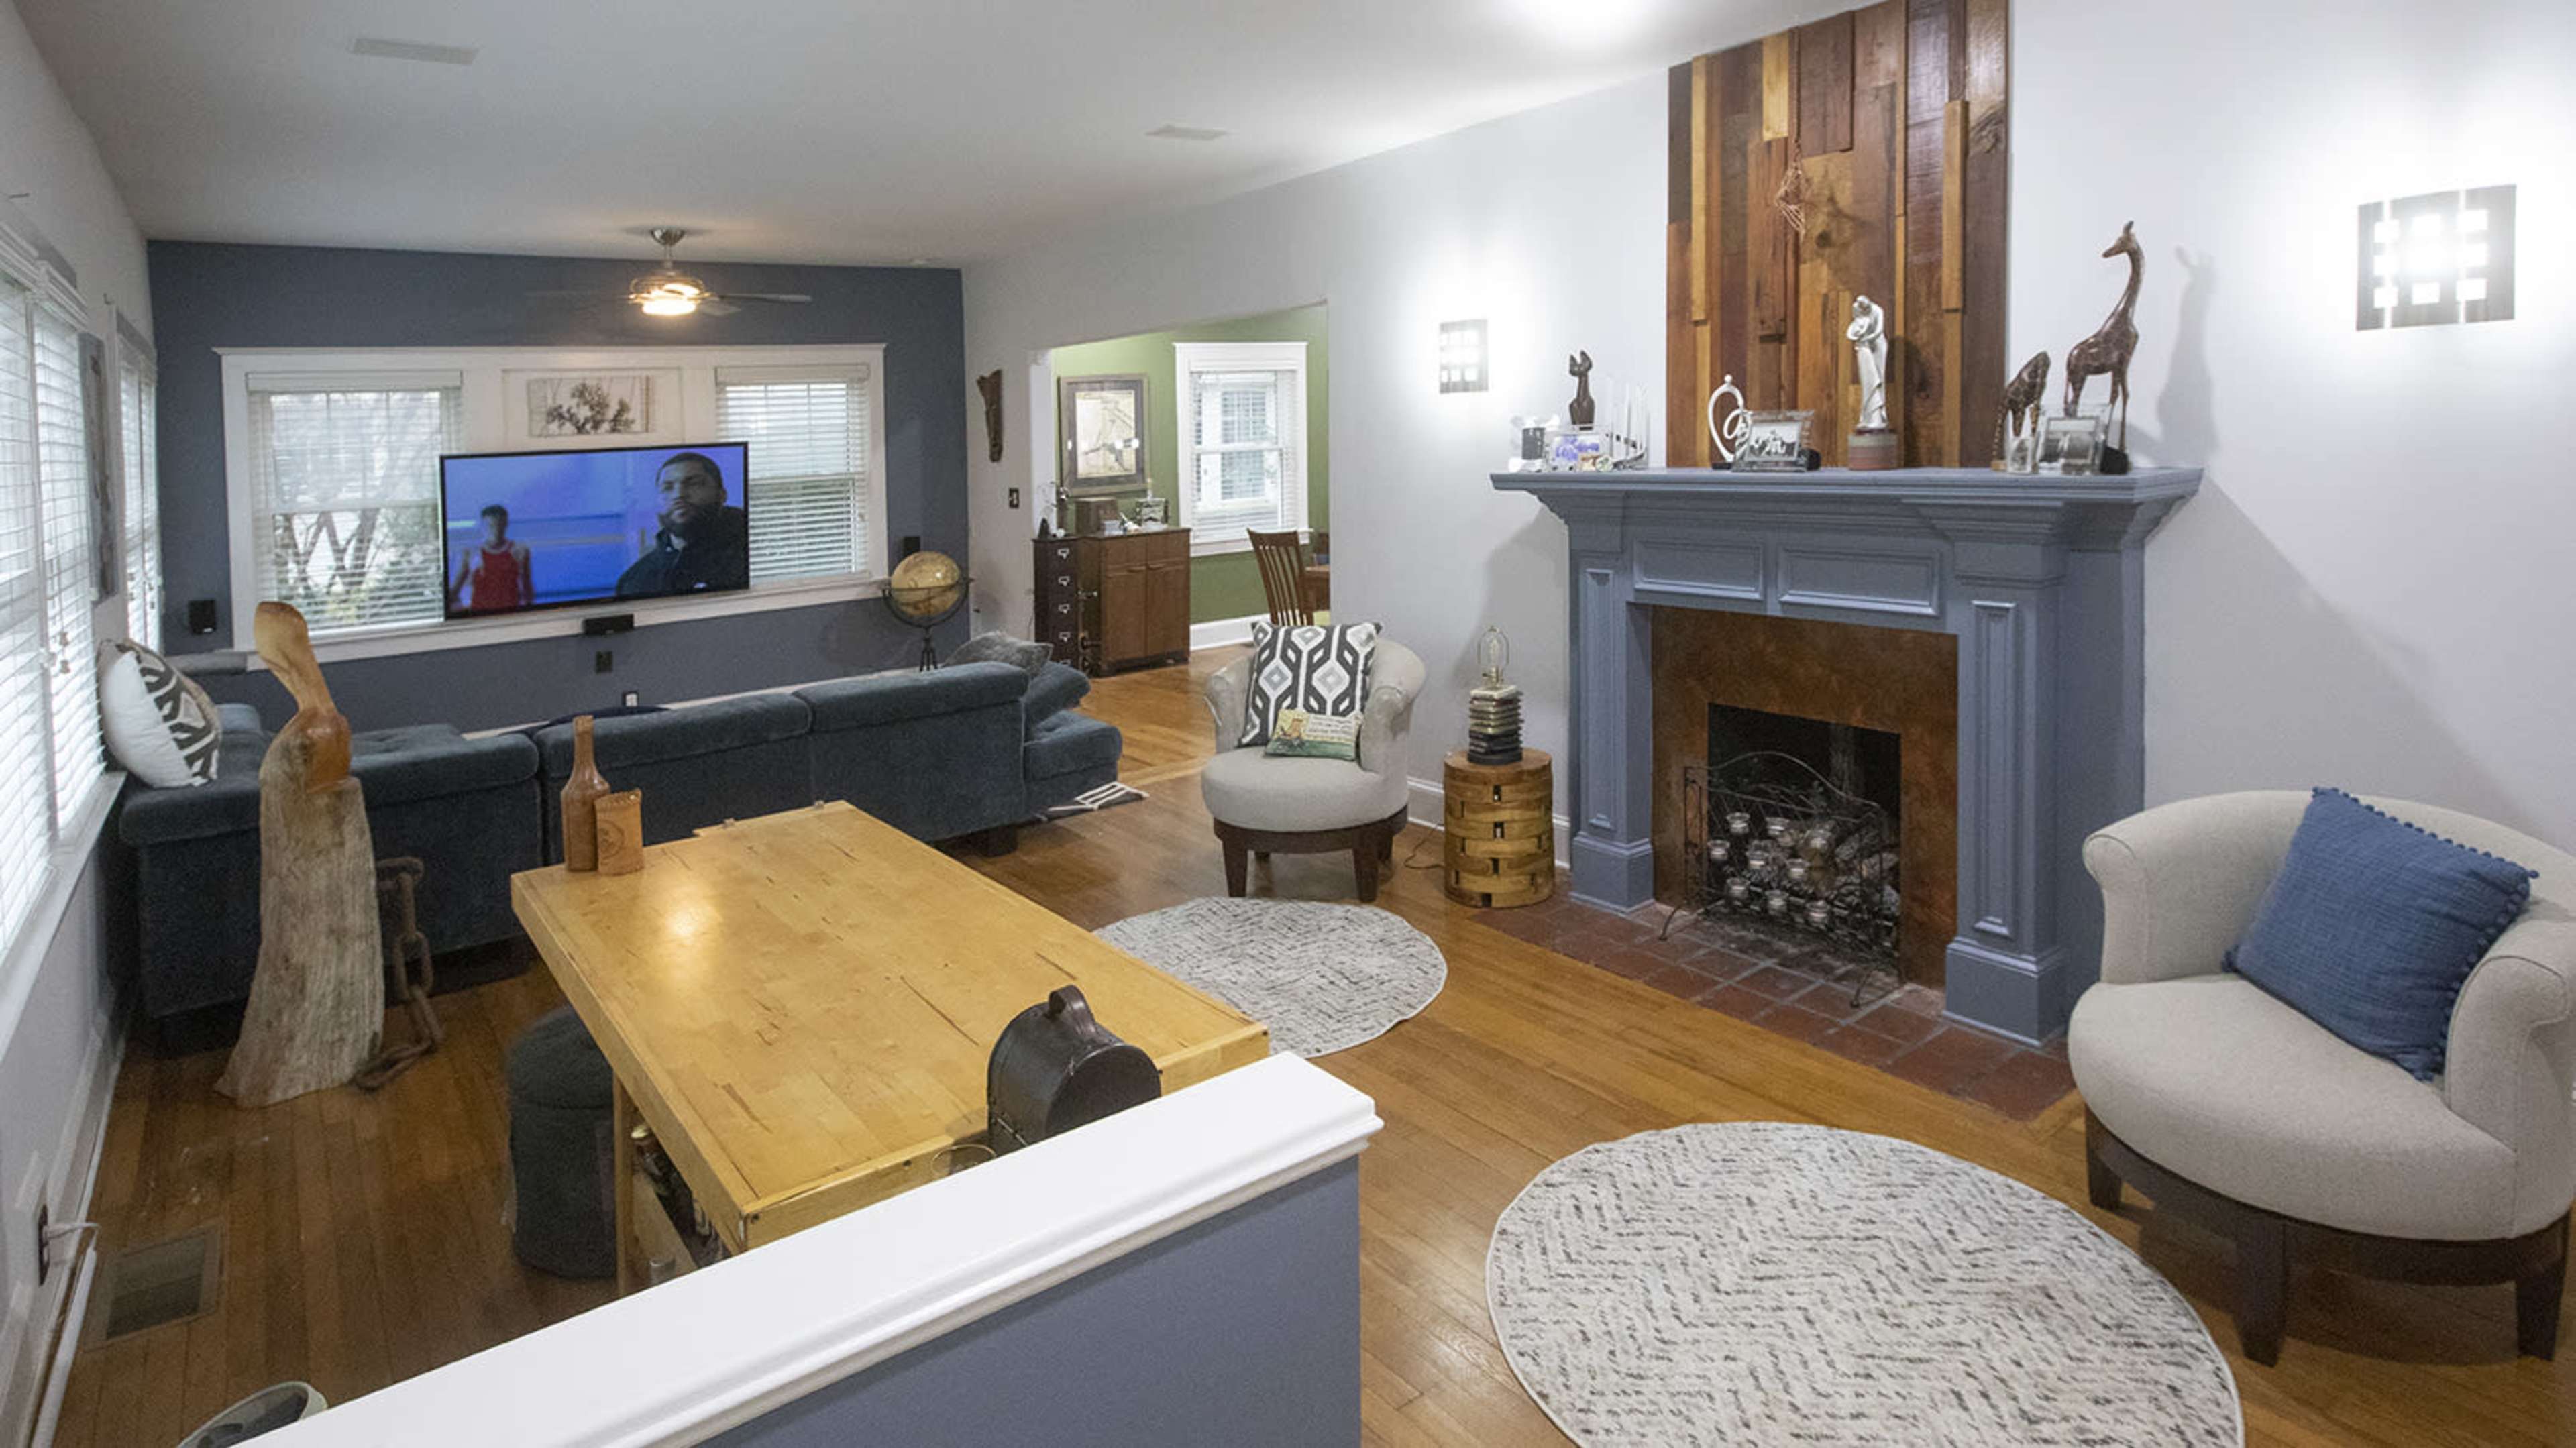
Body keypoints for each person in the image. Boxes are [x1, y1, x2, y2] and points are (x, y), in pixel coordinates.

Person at [614, 451, 750, 598]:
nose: (679, 494)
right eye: (667, 488)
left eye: (694, 484)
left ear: (722, 495)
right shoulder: (634, 581)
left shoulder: (748, 555)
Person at [449, 504, 533, 613]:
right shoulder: (471, 554)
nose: (496, 531)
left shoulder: (519, 552)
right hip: (480, 614)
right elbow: (456, 589)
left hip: (511, 613)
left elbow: (527, 588)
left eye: (500, 525)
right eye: (491, 526)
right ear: (483, 526)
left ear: (506, 525)